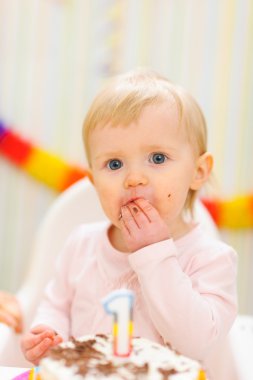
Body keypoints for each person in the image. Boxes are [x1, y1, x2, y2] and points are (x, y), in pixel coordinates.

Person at [21, 69, 237, 377]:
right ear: (95, 182)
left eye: (158, 158)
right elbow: (56, 305)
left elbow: (195, 344)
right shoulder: (81, 244)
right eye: (114, 164)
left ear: (198, 172)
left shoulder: (212, 259)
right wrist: (48, 333)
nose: (134, 178)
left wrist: (154, 254)